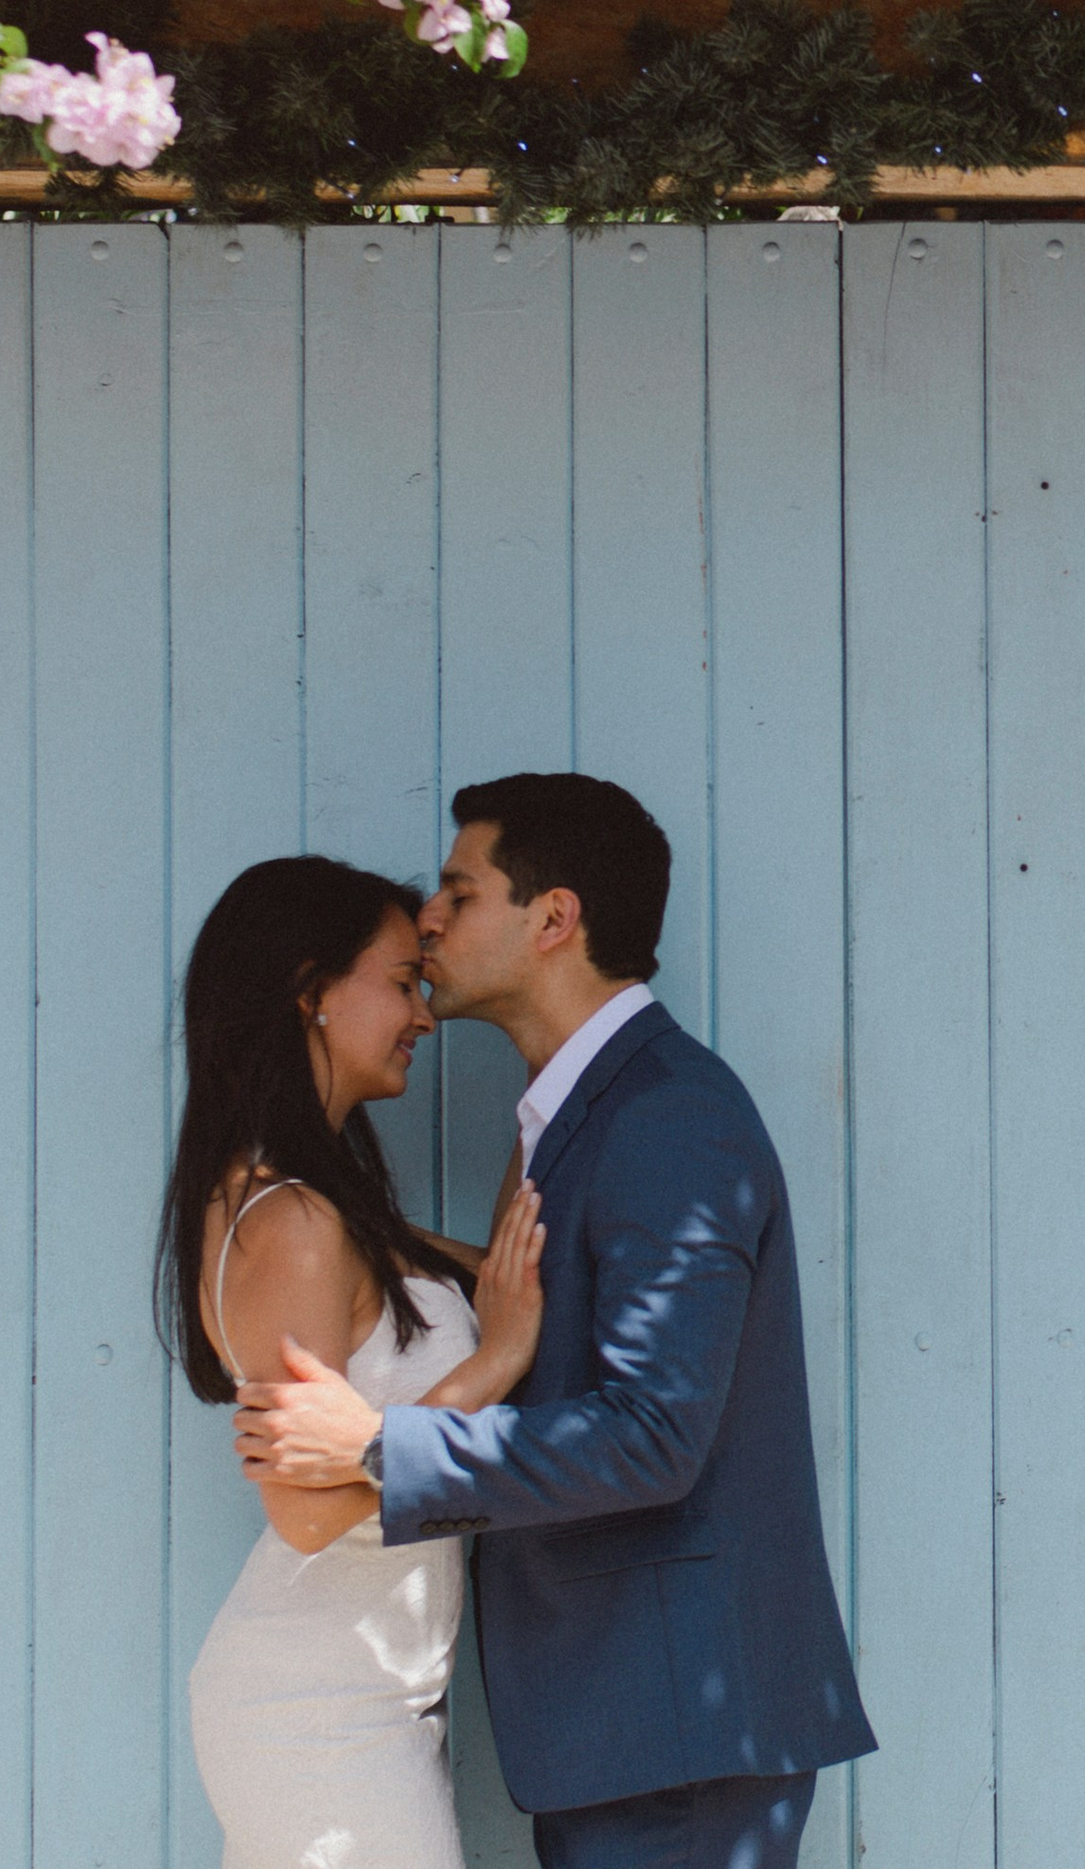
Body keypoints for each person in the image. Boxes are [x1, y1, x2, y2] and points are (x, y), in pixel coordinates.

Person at [233, 772, 874, 1869]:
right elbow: (558, 1308)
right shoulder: (579, 1111)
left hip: (674, 1734)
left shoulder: (666, 1115)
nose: (427, 919)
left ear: (554, 919)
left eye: (457, 891)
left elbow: (653, 1434)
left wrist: (381, 1447)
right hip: (626, 1724)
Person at [161, 855, 550, 1869]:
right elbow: (303, 1509)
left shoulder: (329, 1210)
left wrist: (550, 1085)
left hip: (358, 1703)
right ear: (311, 994)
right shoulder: (290, 1221)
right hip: (317, 1714)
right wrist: (498, 1358)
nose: (422, 1014)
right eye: (400, 980)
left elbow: (504, 1272)